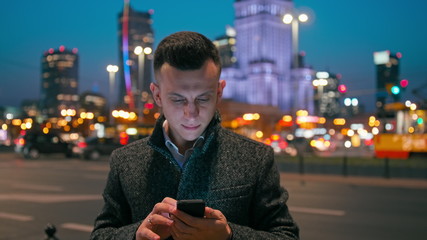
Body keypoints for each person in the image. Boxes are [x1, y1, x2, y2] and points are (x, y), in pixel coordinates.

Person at [90, 31, 299, 240]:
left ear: (219, 92)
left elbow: (287, 235)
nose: (191, 113)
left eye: (203, 98)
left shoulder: (256, 158)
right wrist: (135, 235)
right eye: (178, 99)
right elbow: (101, 235)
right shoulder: (124, 160)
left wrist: (229, 235)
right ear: (157, 95)